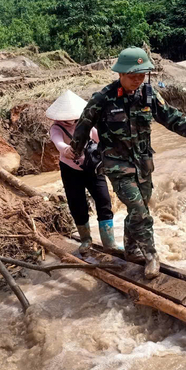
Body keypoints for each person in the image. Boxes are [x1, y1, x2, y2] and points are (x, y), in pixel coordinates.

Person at [71, 47, 186, 279]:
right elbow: (83, 126)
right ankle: (152, 255)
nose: (138, 79)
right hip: (117, 166)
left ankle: (131, 249)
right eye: (133, 75)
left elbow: (173, 118)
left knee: (139, 209)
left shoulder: (148, 95)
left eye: (142, 75)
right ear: (120, 73)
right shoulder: (102, 99)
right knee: (140, 212)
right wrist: (76, 150)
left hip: (143, 164)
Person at [47, 90, 118, 255]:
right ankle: (86, 241)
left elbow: (102, 139)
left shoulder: (87, 123)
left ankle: (109, 243)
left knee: (104, 200)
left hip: (92, 168)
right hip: (71, 171)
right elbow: (57, 141)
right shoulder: (56, 127)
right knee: (77, 205)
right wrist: (65, 149)